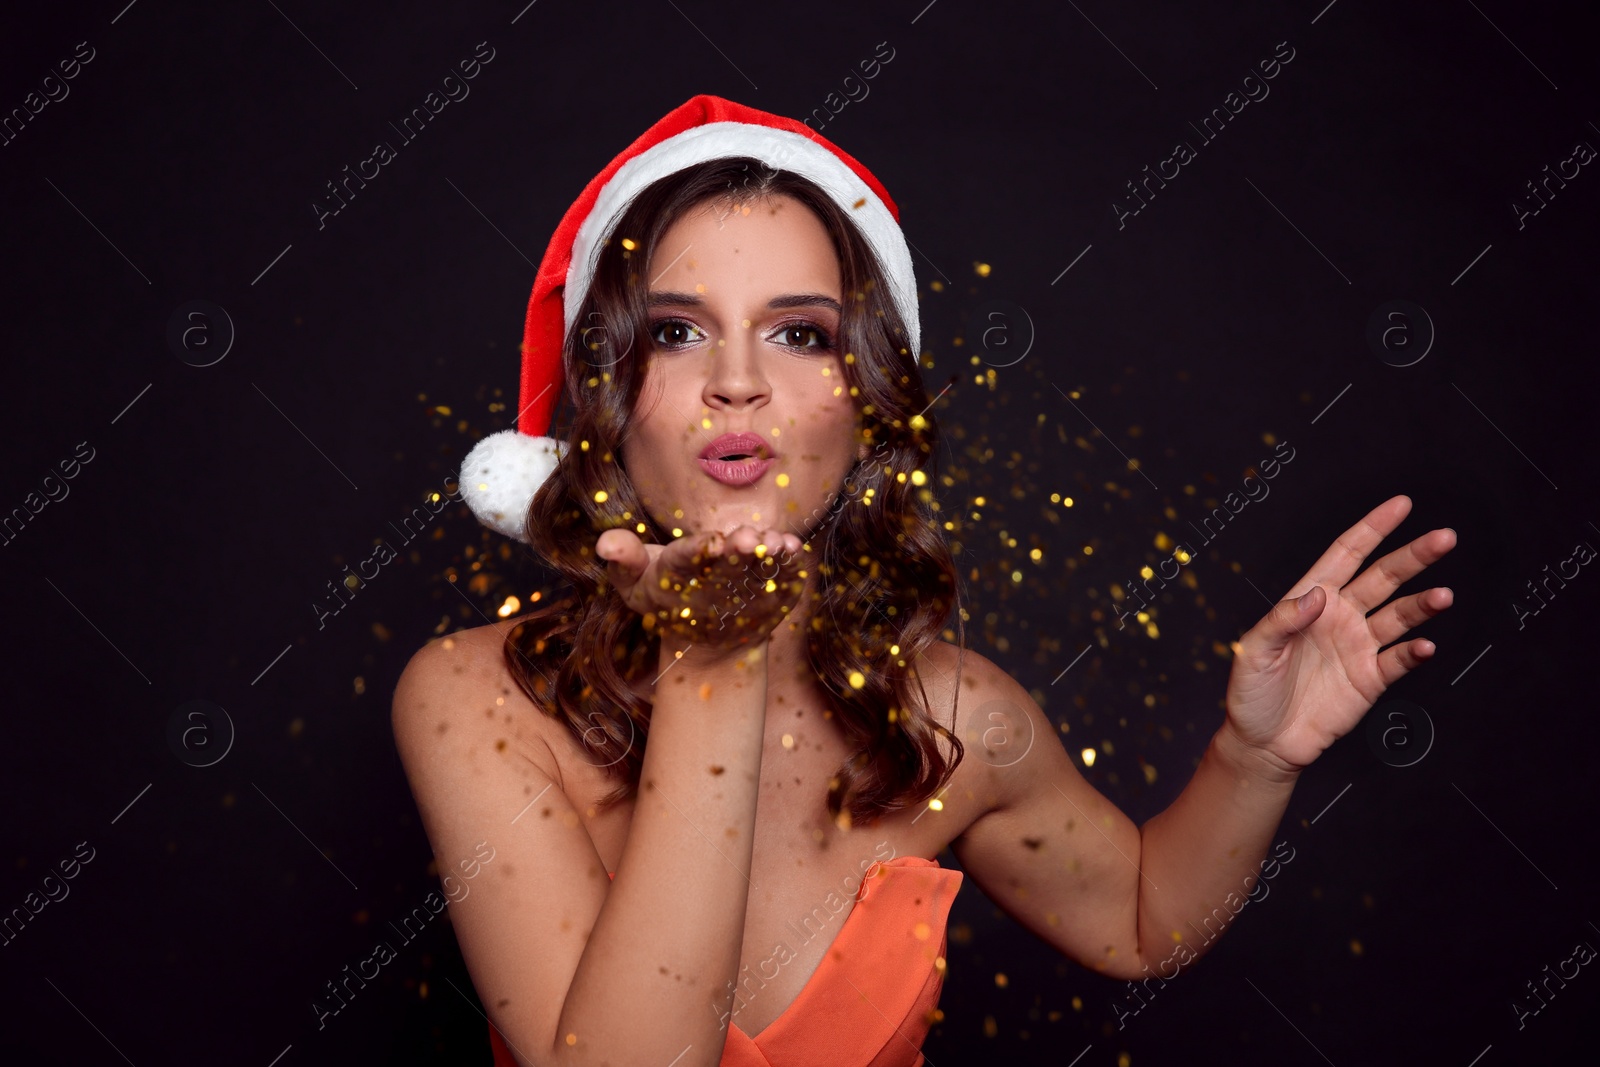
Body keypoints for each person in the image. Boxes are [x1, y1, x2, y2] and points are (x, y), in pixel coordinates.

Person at [390, 95, 1458, 1067]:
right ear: (608, 395)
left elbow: (1140, 919)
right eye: (676, 332)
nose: (737, 381)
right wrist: (716, 654)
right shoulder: (475, 701)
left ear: (865, 408)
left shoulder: (952, 712)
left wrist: (1253, 755)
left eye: (800, 334)